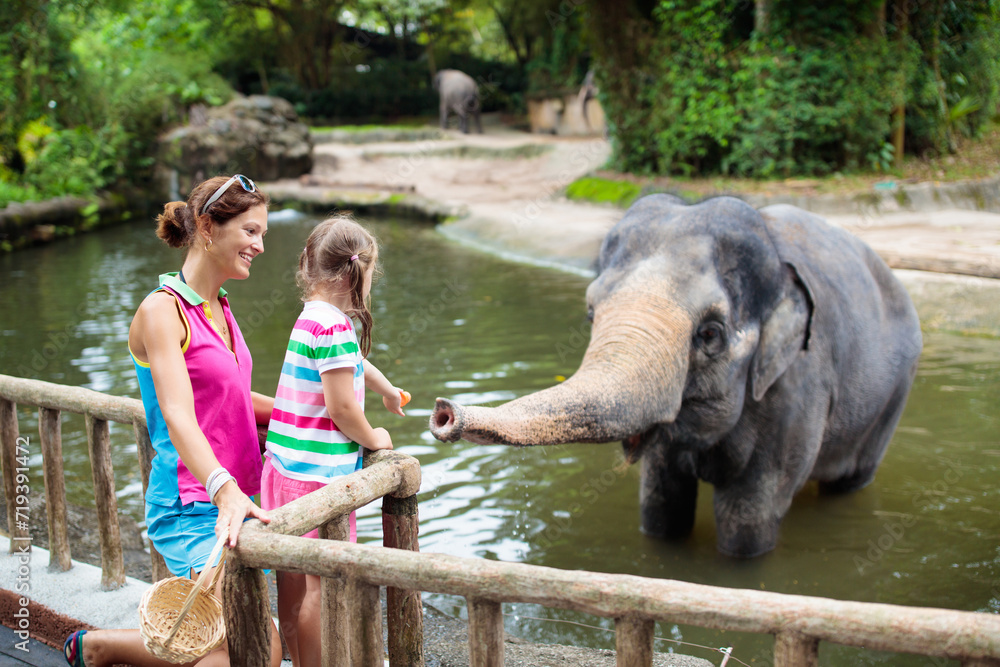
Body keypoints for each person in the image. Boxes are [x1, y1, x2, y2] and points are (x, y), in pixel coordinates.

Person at [63, 175, 283, 667]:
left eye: (262, 233)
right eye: (250, 231)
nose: (260, 245)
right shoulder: (162, 312)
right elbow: (178, 413)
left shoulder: (221, 308)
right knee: (250, 644)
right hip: (194, 503)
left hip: (240, 499)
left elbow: (231, 397)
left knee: (241, 639)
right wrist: (223, 488)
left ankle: (99, 647)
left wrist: (310, 414)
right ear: (208, 227)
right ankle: (101, 647)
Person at [262, 216, 404, 667]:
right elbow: (342, 410)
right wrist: (374, 435)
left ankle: (294, 657)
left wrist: (383, 389)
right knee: (320, 587)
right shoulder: (337, 329)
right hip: (318, 481)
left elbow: (354, 365)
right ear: (356, 273)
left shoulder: (312, 318)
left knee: (291, 576)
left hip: (283, 470)